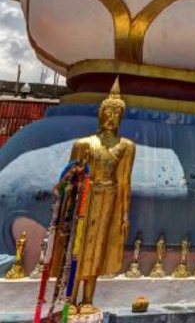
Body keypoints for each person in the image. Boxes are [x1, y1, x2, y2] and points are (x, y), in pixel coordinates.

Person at [68, 78, 136, 312]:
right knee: (78, 247)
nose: (111, 117)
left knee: (98, 248)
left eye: (116, 113)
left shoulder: (126, 146)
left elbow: (125, 181)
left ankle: (87, 298)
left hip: (108, 198)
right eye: (107, 112)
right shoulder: (84, 144)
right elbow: (69, 178)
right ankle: (70, 297)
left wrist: (125, 215)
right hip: (85, 199)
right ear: (100, 114)